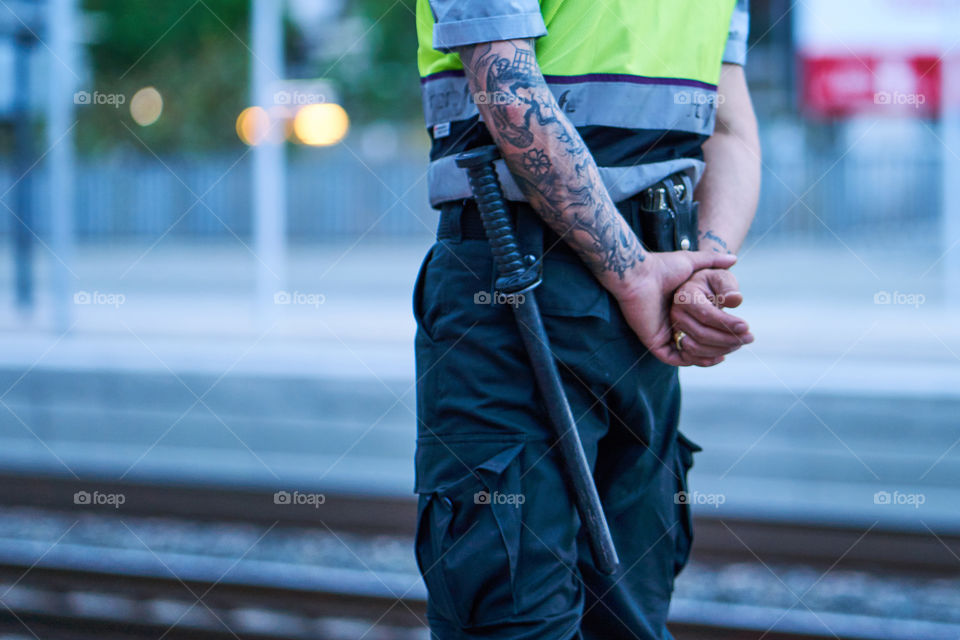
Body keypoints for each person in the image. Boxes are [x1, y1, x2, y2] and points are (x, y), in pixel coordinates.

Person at [412, 1, 760, 637]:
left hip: (555, 276)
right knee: (607, 614)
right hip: (589, 275)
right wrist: (676, 265)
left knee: (520, 614)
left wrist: (687, 268)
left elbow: (507, 82)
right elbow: (731, 128)